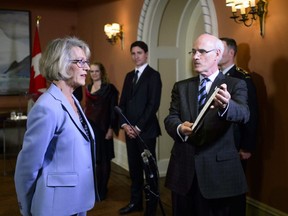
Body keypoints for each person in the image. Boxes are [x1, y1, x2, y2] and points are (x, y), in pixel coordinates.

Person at [164, 33, 250, 216]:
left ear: (218, 54)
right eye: (194, 51)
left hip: (219, 175)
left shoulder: (235, 84)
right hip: (183, 172)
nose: (195, 56)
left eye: (202, 51)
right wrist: (179, 128)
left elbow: (244, 114)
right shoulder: (181, 86)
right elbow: (171, 118)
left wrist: (227, 106)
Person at [14, 37, 98, 216]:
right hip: (55, 207)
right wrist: (29, 207)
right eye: (80, 62)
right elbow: (27, 166)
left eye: (87, 62)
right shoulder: (47, 107)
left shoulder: (73, 99)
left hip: (77, 202)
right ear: (61, 64)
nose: (87, 68)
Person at [118, 41, 162, 215]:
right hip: (129, 132)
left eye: (139, 53)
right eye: (133, 53)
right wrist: (125, 125)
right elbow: (121, 104)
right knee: (134, 170)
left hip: (146, 132)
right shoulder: (129, 76)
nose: (136, 56)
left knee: (149, 171)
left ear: (146, 54)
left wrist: (137, 127)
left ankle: (151, 208)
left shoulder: (154, 76)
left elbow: (153, 105)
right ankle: (135, 202)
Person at [219, 37, 259, 215]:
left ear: (231, 53)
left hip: (236, 144)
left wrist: (247, 146)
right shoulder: (215, 76)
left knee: (235, 193)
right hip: (217, 144)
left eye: (221, 48)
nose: (217, 52)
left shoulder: (242, 77)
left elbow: (251, 114)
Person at [84, 62, 119, 200]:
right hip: (91, 128)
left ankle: (102, 190)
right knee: (94, 159)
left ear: (102, 72)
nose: (94, 74)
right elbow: (88, 108)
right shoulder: (87, 87)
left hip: (104, 128)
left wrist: (111, 129)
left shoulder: (109, 89)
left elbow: (113, 110)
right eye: (91, 71)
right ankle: (95, 188)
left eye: (96, 71)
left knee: (104, 160)